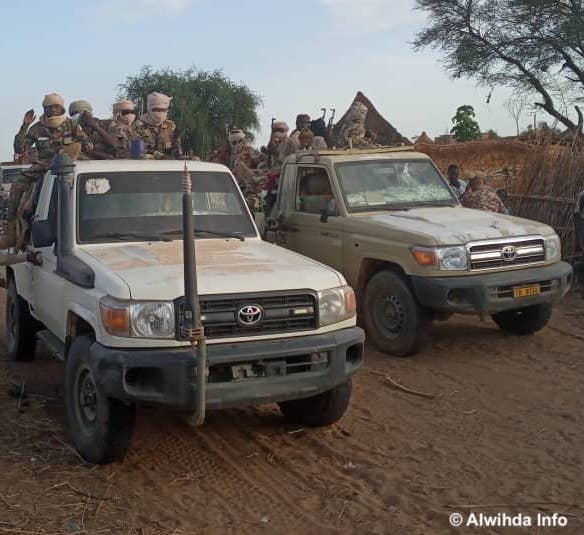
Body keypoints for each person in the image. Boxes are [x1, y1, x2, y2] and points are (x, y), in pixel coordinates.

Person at [1, 94, 93, 249]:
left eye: (55, 106)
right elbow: (19, 148)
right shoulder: (36, 128)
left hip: (67, 165)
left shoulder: (71, 125)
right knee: (17, 186)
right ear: (44, 108)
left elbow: (89, 146)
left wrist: (76, 144)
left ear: (61, 107)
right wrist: (24, 125)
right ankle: (11, 232)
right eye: (48, 107)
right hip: (43, 166)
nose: (52, 109)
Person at [133, 92, 182, 158]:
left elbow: (177, 147)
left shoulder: (171, 126)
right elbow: (138, 150)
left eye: (163, 110)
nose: (160, 113)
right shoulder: (138, 126)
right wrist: (160, 156)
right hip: (145, 165)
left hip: (168, 164)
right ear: (149, 109)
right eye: (156, 109)